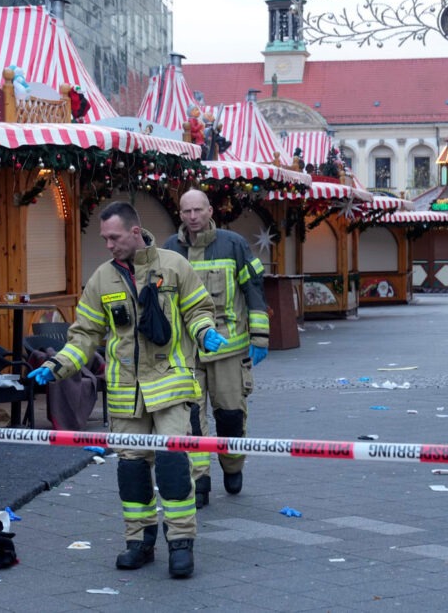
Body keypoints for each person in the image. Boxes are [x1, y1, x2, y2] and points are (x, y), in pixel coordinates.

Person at [27, 201, 227, 579]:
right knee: (132, 471)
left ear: (135, 232)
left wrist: (205, 332)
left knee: (172, 466)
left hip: (171, 386)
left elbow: (198, 310)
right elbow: (84, 335)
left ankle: (181, 544)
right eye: (104, 238)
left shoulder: (174, 266)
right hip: (126, 394)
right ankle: (140, 543)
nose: (108, 245)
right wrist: (56, 366)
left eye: (114, 237)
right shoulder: (102, 279)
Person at [163, 189, 269, 509]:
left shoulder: (233, 244)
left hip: (229, 352)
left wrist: (260, 337)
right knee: (192, 419)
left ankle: (233, 465)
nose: (193, 217)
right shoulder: (170, 250)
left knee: (231, 416)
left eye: (198, 210)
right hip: (187, 352)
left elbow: (254, 291)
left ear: (210, 211)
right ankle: (200, 481)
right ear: (180, 214)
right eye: (186, 211)